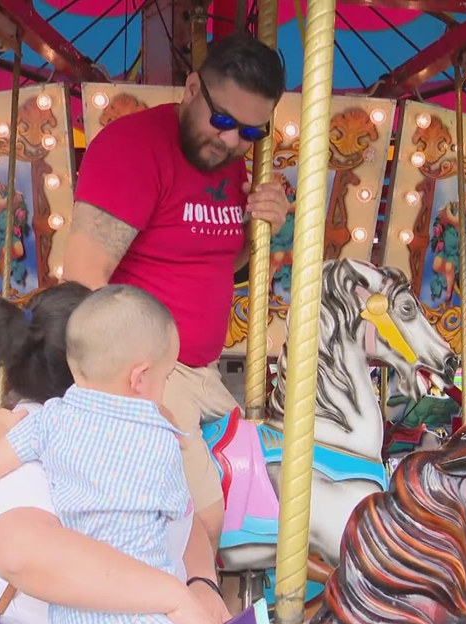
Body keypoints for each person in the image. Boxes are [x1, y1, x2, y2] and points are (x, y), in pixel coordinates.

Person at [62, 32, 289, 551]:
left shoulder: (232, 167)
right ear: (191, 89)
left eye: (251, 131)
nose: (232, 142)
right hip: (146, 374)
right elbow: (82, 280)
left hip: (203, 374)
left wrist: (259, 232)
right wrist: (131, 394)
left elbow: (207, 260)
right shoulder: (134, 149)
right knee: (204, 521)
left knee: (260, 494)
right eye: (224, 121)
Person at [0, 283, 226, 624]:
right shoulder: (37, 439)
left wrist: (201, 582)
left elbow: (182, 516)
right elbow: (19, 552)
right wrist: (174, 595)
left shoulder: (130, 430)